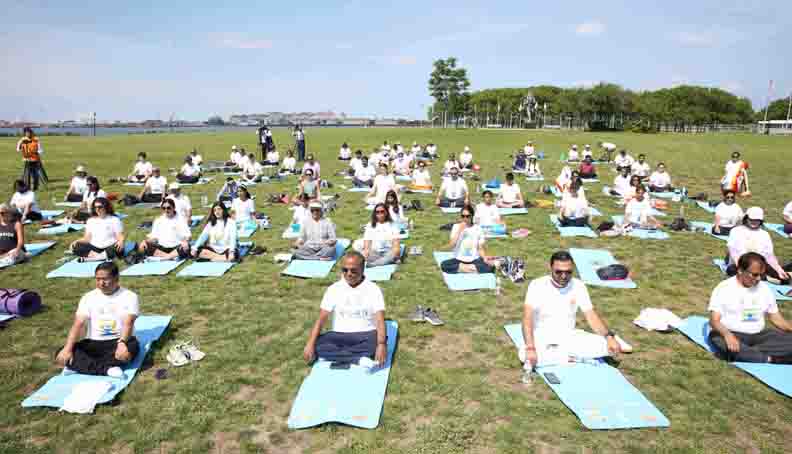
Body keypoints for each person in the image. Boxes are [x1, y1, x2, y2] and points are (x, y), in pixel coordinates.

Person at [519, 251, 626, 370]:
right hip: (542, 337)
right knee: (525, 356)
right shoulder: (537, 285)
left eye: (568, 272)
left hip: (569, 336)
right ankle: (572, 358)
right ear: (551, 268)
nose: (563, 276)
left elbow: (591, 315)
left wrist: (609, 337)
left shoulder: (578, 286)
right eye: (559, 272)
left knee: (607, 347)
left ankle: (561, 357)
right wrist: (530, 347)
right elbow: (527, 318)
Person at [55, 262, 140, 378]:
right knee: (61, 351)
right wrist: (68, 348)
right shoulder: (88, 297)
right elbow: (78, 324)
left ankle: (80, 366)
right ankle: (107, 370)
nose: (101, 283)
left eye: (105, 279)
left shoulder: (130, 296)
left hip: (119, 341)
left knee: (131, 350)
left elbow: (128, 323)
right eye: (98, 279)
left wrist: (122, 343)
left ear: (116, 278)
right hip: (95, 343)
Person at [302, 251, 387, 366]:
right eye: (345, 270)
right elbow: (321, 319)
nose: (348, 274)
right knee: (317, 345)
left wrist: (381, 344)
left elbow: (380, 319)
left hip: (365, 336)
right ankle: (358, 359)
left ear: (362, 269)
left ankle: (338, 355)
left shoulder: (373, 289)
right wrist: (310, 344)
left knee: (374, 344)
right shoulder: (333, 289)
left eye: (353, 270)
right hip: (339, 336)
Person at [707, 252, 792, 364]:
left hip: (759, 336)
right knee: (718, 339)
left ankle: (745, 354)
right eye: (755, 274)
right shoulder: (724, 288)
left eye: (761, 275)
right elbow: (714, 321)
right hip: (731, 333)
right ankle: (771, 359)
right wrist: (728, 336)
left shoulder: (765, 289)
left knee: (784, 338)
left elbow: (776, 319)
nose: (759, 279)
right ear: (740, 270)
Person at [726, 207, 789, 283]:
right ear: (746, 218)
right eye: (751, 219)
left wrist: (779, 270)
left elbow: (769, 255)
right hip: (742, 264)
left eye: (757, 220)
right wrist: (740, 266)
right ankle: (763, 277)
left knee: (784, 278)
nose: (754, 222)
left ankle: (761, 276)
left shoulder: (765, 234)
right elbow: (733, 251)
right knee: (732, 270)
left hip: (759, 265)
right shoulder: (736, 231)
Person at [440, 205, 496, 274]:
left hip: (474, 259)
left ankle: (463, 268)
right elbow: (452, 245)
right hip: (459, 259)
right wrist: (459, 230)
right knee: (444, 265)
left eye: (467, 216)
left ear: (472, 216)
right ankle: (472, 269)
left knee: (490, 267)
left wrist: (484, 257)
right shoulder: (456, 227)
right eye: (463, 216)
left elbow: (480, 248)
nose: (465, 218)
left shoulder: (478, 228)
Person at [357, 203, 401, 267]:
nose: (380, 214)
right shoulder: (370, 225)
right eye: (377, 212)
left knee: (394, 254)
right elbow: (367, 243)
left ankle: (373, 264)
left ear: (386, 212)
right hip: (375, 252)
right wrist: (366, 253)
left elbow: (396, 244)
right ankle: (386, 261)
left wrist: (396, 251)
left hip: (388, 251)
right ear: (375, 214)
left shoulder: (393, 225)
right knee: (361, 255)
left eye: (382, 211)